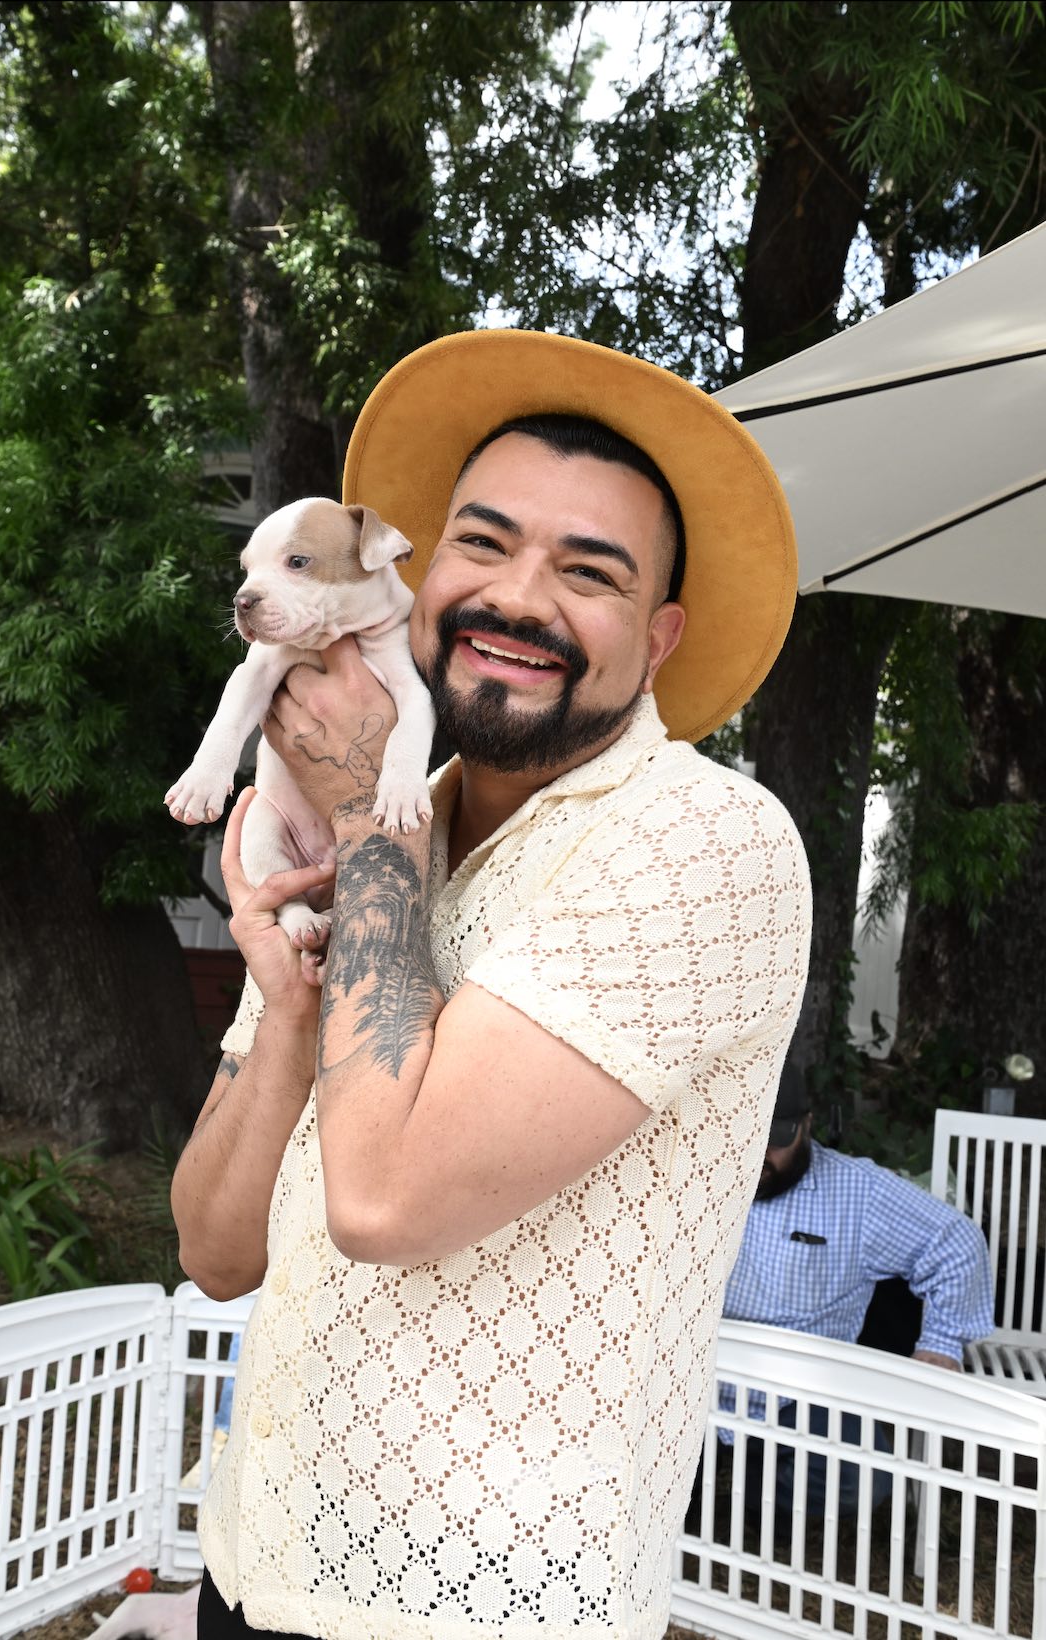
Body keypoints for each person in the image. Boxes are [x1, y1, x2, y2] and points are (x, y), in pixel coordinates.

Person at [170, 329, 812, 1639]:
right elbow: (215, 1250)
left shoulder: (702, 841)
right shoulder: (369, 836)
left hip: (491, 1612)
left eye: (589, 572)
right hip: (254, 1564)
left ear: (661, 633)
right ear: (412, 578)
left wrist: (366, 828)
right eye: (483, 542)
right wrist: (292, 1003)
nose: (517, 597)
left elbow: (385, 1198)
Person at [712, 1061, 994, 1523]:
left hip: (803, 1392)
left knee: (857, 1484)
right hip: (692, 1381)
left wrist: (941, 1344)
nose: (757, 1153)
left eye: (774, 1138)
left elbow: (956, 1241)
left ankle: (739, 1513)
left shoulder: (858, 1192)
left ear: (806, 1125)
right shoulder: (697, 1177)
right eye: (744, 1135)